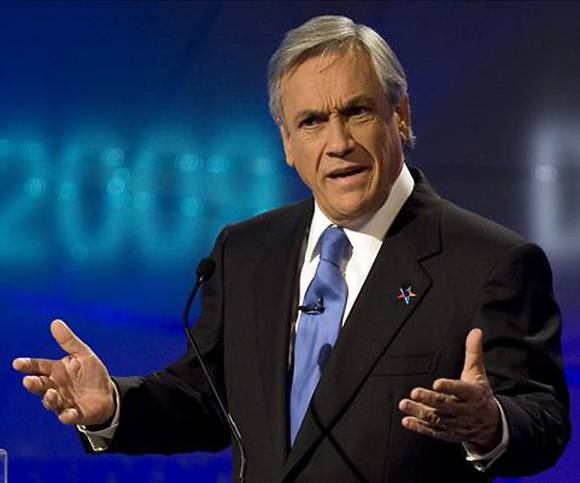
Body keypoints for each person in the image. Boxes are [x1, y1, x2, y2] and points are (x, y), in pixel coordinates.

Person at [13, 15, 570, 483]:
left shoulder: (488, 262)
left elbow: (543, 419)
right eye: (312, 121)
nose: (338, 142)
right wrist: (113, 405)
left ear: (400, 117)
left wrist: (490, 424)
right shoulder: (247, 251)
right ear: (286, 142)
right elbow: (207, 398)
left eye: (357, 111)